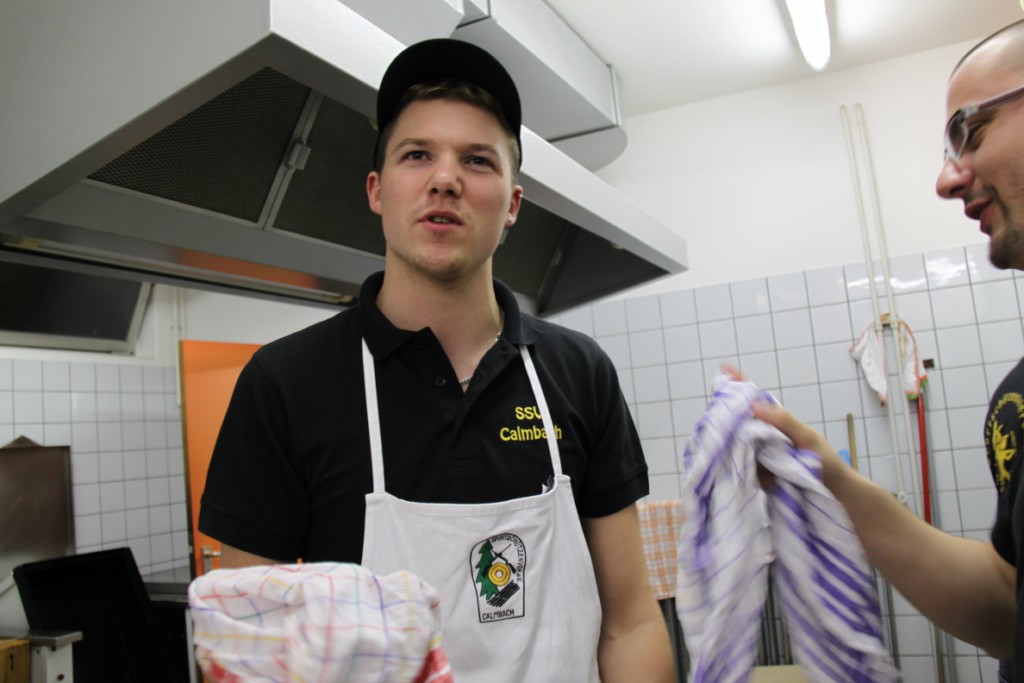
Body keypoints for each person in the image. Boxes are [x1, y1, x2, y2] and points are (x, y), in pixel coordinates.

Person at [198, 38, 673, 682]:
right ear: (377, 191)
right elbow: (254, 653)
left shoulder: (579, 372)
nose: (445, 178)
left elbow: (630, 622)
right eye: (417, 154)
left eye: (477, 160)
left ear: (512, 204)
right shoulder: (284, 384)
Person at [752, 19, 1024, 681]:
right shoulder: (1014, 403)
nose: (946, 179)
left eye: (969, 131)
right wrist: (832, 480)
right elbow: (1006, 606)